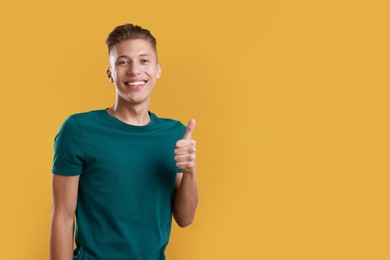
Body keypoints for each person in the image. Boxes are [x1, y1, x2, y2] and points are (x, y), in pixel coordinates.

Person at [50, 23, 199, 260]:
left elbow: (185, 218)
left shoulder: (175, 134)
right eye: (122, 62)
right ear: (110, 73)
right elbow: (63, 217)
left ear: (158, 70)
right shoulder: (78, 130)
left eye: (144, 60)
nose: (134, 71)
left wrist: (189, 171)